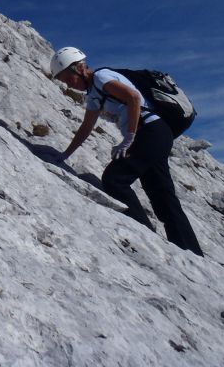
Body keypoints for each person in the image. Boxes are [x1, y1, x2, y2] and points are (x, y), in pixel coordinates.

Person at [49, 46, 204, 256]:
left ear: (79, 68)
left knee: (115, 179)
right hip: (154, 135)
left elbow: (133, 98)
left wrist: (129, 137)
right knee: (161, 194)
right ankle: (190, 252)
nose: (69, 85)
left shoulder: (102, 78)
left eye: (68, 78)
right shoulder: (93, 94)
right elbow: (86, 128)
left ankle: (144, 232)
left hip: (151, 131)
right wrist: (65, 154)